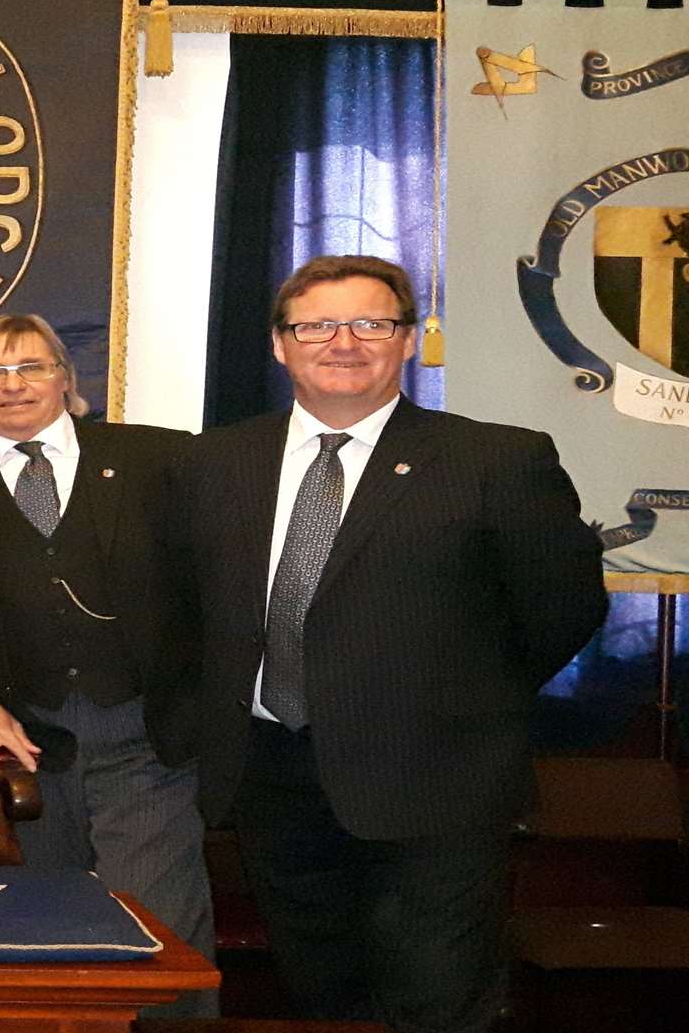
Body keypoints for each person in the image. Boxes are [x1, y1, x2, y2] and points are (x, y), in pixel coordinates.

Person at [173, 255, 607, 1033]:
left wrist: (459, 698)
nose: (344, 342)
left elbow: (562, 608)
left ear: (406, 340)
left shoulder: (496, 460)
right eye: (316, 325)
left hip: (436, 782)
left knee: (436, 1002)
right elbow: (190, 609)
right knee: (321, 997)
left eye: (371, 323)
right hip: (275, 780)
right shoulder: (213, 463)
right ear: (280, 345)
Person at [0, 313, 214, 1016]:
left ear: (67, 380)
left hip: (146, 736)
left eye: (31, 367)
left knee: (158, 938)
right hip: (22, 749)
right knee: (43, 939)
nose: (12, 385)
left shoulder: (164, 461)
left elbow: (215, 587)